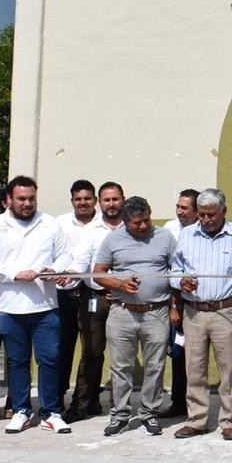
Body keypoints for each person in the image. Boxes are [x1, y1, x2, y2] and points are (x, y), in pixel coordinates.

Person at [0, 175, 74, 435]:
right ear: (9, 199)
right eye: (21, 198)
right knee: (17, 362)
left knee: (50, 360)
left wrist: (56, 268)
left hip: (45, 306)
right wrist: (15, 274)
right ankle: (21, 410)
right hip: (10, 307)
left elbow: (66, 253)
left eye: (31, 198)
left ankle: (51, 412)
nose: (27, 203)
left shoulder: (49, 223)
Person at [170, 188, 232, 440]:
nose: (205, 220)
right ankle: (197, 419)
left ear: (223, 211)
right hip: (194, 311)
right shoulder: (187, 234)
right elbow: (174, 269)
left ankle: (229, 420)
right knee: (194, 369)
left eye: (211, 215)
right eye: (202, 214)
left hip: (225, 310)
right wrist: (180, 282)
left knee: (228, 370)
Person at [93, 196, 177, 437]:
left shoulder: (164, 237)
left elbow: (177, 270)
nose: (143, 226)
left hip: (156, 312)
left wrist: (174, 307)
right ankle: (120, 415)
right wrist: (119, 284)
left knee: (155, 366)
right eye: (137, 223)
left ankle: (149, 413)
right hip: (122, 312)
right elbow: (97, 274)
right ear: (125, 221)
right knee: (121, 367)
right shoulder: (113, 239)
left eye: (146, 220)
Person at [68, 181, 125, 422]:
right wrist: (69, 275)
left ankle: (119, 406)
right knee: (91, 353)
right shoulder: (91, 232)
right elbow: (82, 264)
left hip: (125, 300)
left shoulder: (133, 229)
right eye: (106, 200)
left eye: (115, 199)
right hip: (96, 299)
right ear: (99, 202)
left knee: (123, 354)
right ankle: (80, 404)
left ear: (123, 199)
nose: (111, 204)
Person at [55, 180, 97, 421]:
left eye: (87, 198)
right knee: (62, 349)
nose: (83, 203)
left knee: (92, 349)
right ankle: (57, 396)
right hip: (65, 293)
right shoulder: (59, 224)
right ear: (72, 201)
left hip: (92, 293)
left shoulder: (104, 226)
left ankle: (88, 398)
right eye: (78, 199)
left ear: (95, 200)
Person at [160, 188, 200, 419]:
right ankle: (178, 402)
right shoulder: (169, 229)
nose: (179, 212)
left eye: (185, 208)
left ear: (197, 211)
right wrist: (174, 306)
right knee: (178, 352)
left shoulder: (201, 231)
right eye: (178, 207)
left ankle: (196, 403)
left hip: (196, 300)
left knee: (196, 356)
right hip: (174, 299)